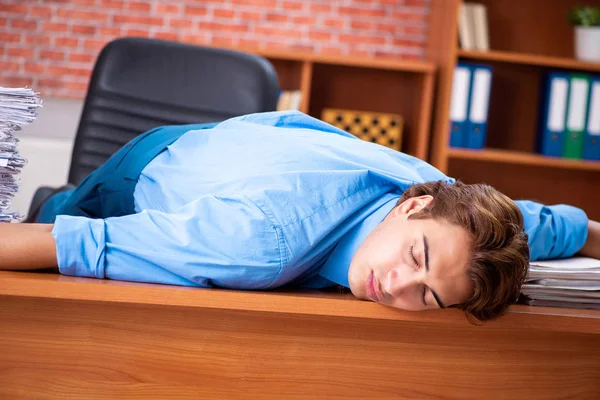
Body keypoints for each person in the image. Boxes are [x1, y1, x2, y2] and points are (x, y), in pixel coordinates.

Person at [5, 111, 599, 322]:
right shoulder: (258, 245)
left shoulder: (447, 202)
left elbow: (532, 223)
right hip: (151, 168)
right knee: (54, 210)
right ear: (414, 206)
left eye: (429, 298)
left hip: (250, 153)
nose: (395, 287)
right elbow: (81, 245)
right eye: (414, 260)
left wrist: (591, 232)